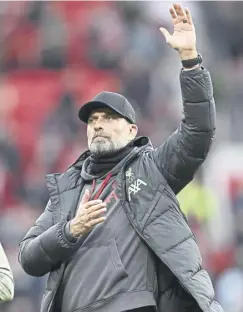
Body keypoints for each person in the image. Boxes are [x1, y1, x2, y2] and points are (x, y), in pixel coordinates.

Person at [19, 4, 223, 312]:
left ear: (131, 130)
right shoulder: (67, 190)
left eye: (108, 118)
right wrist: (69, 230)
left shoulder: (151, 169)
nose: (98, 123)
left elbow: (198, 132)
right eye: (92, 120)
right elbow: (28, 257)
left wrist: (190, 61)